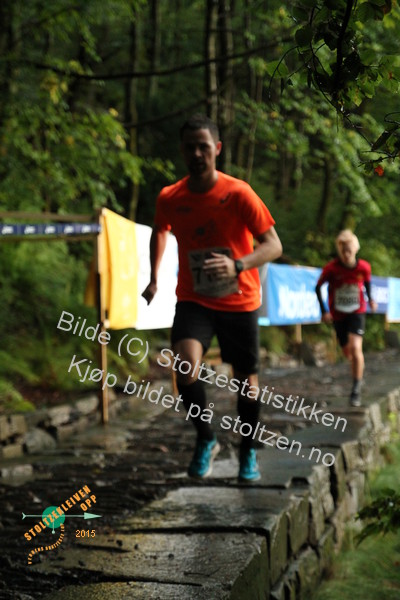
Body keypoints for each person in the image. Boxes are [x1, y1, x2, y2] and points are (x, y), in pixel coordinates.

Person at [142, 114, 282, 481]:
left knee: (246, 382)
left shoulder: (239, 193)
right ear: (182, 151)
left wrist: (238, 264)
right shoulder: (170, 196)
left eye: (204, 147)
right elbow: (160, 231)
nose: (197, 154)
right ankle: (206, 438)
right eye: (190, 147)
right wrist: (154, 278)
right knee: (184, 366)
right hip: (195, 298)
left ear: (217, 149)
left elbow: (273, 245)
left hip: (240, 299)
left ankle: (248, 450)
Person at [315, 230, 377, 407]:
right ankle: (357, 370)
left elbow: (367, 283)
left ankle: (356, 388)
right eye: (343, 251)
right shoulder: (331, 268)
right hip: (338, 313)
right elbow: (317, 287)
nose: (346, 254)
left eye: (349, 250)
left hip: (357, 310)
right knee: (348, 352)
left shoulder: (364, 267)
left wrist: (371, 299)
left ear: (355, 249)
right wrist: (324, 311)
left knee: (356, 347)